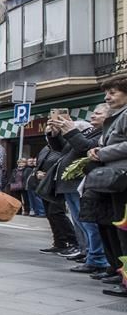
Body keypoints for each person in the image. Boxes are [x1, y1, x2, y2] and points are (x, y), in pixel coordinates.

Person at [50, 108, 111, 276]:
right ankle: (90, 254)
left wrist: (71, 131)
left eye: (98, 113)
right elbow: (63, 150)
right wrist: (55, 134)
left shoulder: (105, 132)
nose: (93, 115)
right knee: (80, 223)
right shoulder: (92, 131)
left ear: (109, 115)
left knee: (89, 223)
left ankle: (97, 258)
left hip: (82, 182)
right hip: (70, 184)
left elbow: (85, 147)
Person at [89, 77, 127, 296]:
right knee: (119, 230)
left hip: (122, 178)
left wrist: (102, 152)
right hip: (117, 180)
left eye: (112, 92)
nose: (107, 97)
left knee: (123, 230)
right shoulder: (118, 116)